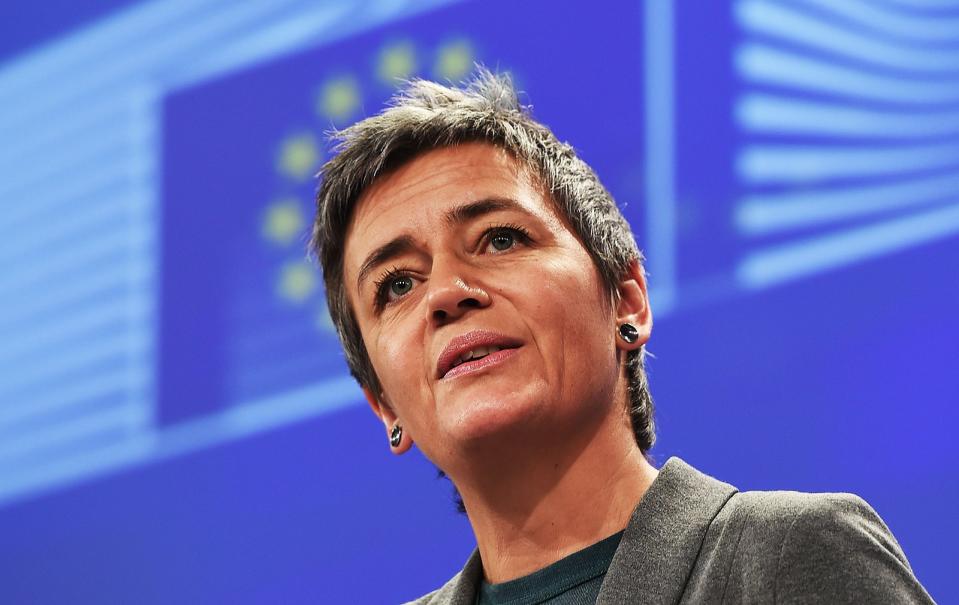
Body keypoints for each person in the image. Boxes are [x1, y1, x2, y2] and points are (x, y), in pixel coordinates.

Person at [310, 69, 935, 604]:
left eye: (501, 238)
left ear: (627, 299)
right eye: (396, 285)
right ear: (383, 402)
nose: (447, 293)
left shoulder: (788, 559)